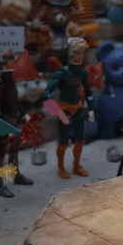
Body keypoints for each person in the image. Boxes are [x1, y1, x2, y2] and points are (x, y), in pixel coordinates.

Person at [44, 38, 96, 179]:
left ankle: (76, 165)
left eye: (80, 52)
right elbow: (47, 91)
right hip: (64, 109)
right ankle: (61, 167)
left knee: (80, 139)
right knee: (63, 142)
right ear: (70, 52)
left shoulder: (82, 73)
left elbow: (89, 93)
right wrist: (51, 106)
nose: (77, 55)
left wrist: (91, 108)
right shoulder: (62, 72)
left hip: (78, 107)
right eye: (75, 52)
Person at [0, 49, 34, 197]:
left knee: (14, 152)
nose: (9, 64)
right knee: (0, 155)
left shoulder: (11, 80)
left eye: (10, 61)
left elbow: (15, 100)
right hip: (3, 123)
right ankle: (0, 185)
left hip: (13, 122)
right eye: (6, 62)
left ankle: (16, 176)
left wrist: (24, 113)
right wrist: (2, 125)